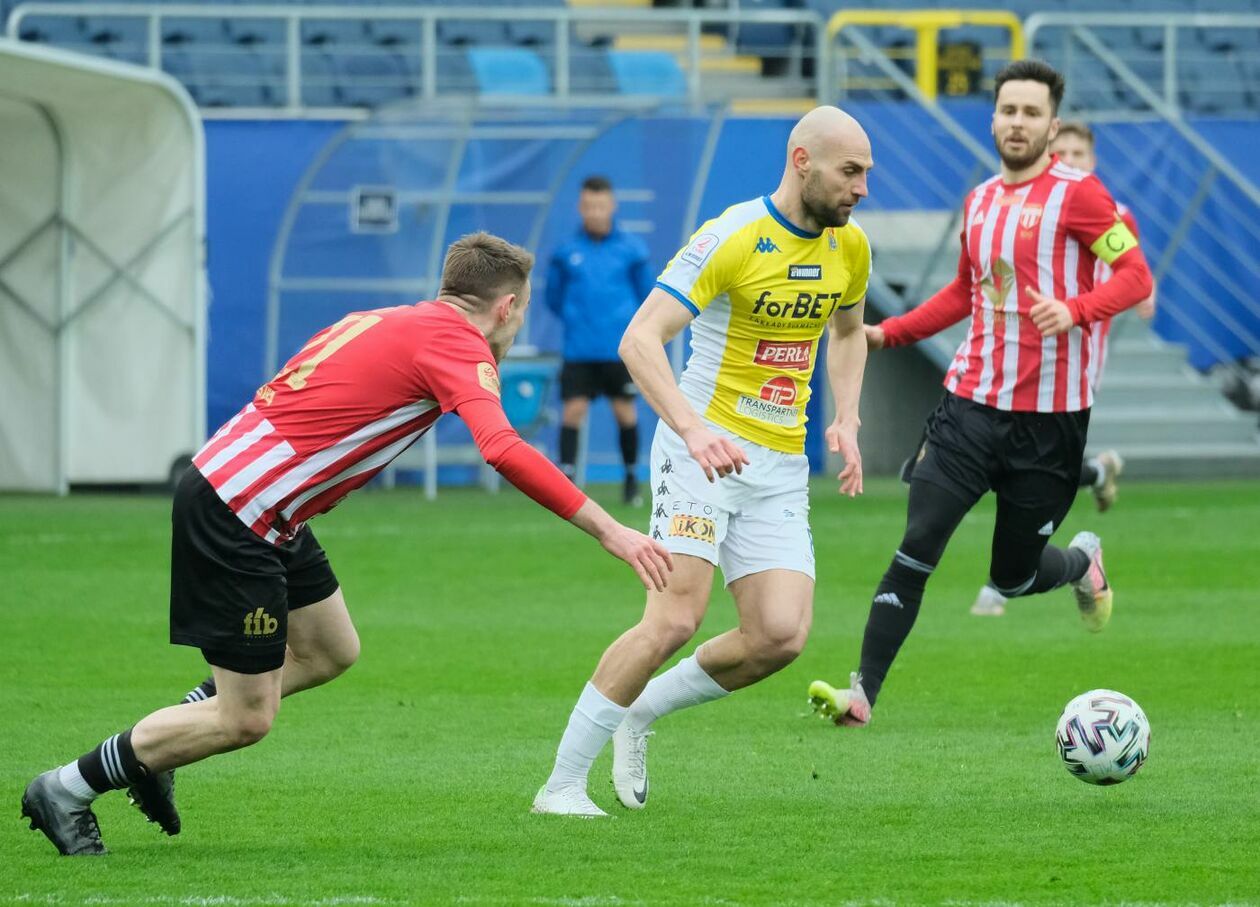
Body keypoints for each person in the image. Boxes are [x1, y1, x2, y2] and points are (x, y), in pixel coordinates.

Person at [20, 232, 673, 856]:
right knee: (247, 718)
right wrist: (611, 529)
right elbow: (500, 447)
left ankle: (160, 744)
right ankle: (67, 786)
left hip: (264, 504)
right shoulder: (454, 342)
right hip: (241, 509)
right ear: (505, 307)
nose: (519, 323)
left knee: (331, 648)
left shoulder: (384, 319)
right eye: (521, 311)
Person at [533, 106, 873, 817]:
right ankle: (560, 783)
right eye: (851, 171)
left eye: (866, 173)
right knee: (672, 620)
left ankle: (640, 711)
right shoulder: (731, 235)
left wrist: (846, 413)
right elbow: (640, 339)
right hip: (702, 453)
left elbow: (847, 332)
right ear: (801, 160)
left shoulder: (851, 248)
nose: (862, 188)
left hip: (778, 466)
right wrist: (692, 430)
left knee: (779, 635)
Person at [808, 61, 1154, 728]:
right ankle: (863, 694)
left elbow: (1135, 275)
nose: (1017, 123)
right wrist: (888, 334)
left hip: (1050, 426)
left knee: (1015, 576)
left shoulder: (1082, 196)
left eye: (1031, 113)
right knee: (918, 543)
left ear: (1053, 127)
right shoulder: (981, 200)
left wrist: (1077, 309)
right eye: (1007, 110)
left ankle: (1083, 561)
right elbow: (966, 294)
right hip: (967, 408)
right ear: (992, 119)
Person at [969, 121, 1154, 618]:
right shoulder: (1030, 204)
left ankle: (1004, 577)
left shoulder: (1113, 214)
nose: (1070, 158)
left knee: (1033, 465)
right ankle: (1097, 474)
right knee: (1023, 460)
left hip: (1078, 356)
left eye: (1079, 152)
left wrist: (1114, 300)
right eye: (1062, 150)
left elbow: (1134, 272)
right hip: (1025, 353)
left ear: (1093, 161)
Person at [545, 176, 655, 505]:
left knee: (625, 413)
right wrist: (578, 320)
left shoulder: (632, 250)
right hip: (579, 350)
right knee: (572, 412)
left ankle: (632, 481)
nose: (595, 212)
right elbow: (553, 298)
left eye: (601, 205)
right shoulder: (567, 252)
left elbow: (647, 297)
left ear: (612, 206)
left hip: (618, 350)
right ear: (581, 207)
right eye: (589, 206)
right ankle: (565, 483)